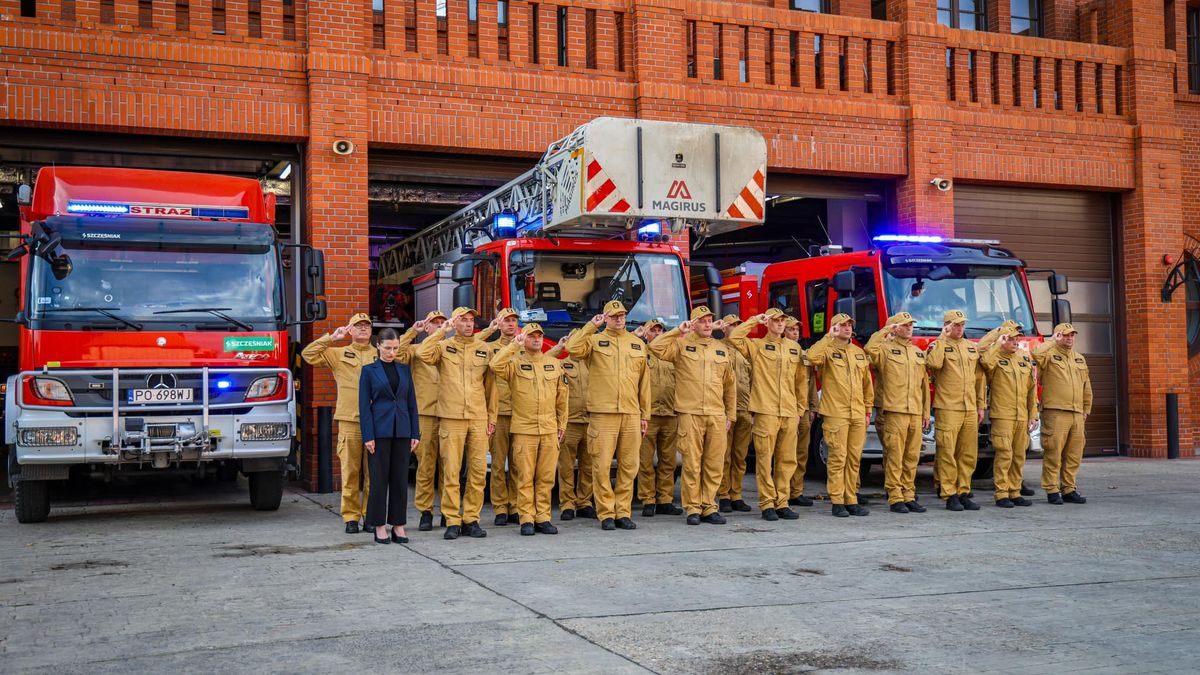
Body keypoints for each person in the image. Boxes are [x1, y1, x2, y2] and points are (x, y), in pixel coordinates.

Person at [566, 300, 651, 531]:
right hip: (603, 414)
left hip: (631, 413)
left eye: (622, 315)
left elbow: (644, 383)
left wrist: (645, 414)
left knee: (629, 466)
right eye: (613, 316)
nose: (619, 319)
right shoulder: (594, 341)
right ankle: (606, 513)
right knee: (601, 466)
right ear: (605, 318)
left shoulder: (637, 344)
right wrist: (591, 326)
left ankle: (623, 512)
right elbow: (572, 349)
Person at [649, 307, 736, 525]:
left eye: (710, 321)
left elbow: (730, 384)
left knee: (714, 463)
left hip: (716, 413)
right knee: (692, 463)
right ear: (693, 324)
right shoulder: (681, 345)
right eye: (702, 321)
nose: (708, 324)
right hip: (690, 412)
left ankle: (709, 506)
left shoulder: (721, 349)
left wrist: (730, 414)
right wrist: (677, 330)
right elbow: (655, 346)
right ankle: (693, 508)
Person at [417, 307, 497, 540]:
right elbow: (423, 354)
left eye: (472, 320)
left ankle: (471, 518)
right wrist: (442, 331)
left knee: (478, 472)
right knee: (451, 471)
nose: (469, 324)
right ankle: (452, 519)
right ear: (455, 323)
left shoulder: (484, 349)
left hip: (478, 417)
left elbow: (491, 388)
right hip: (451, 417)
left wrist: (491, 417)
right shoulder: (442, 347)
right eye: (463, 320)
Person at [726, 309, 809, 521]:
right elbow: (735, 337)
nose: (781, 324)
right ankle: (767, 503)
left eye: (783, 321)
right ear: (768, 322)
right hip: (765, 410)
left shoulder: (794, 348)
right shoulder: (756, 345)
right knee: (764, 460)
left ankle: (782, 502)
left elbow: (801, 381)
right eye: (776, 320)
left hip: (789, 412)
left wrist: (800, 409)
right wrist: (754, 319)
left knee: (787, 460)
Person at [301, 313, 377, 534]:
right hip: (350, 421)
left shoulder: (380, 354)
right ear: (350, 330)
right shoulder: (338, 354)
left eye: (366, 326)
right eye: (358, 326)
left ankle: (371, 516)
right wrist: (331, 337)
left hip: (375, 422)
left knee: (374, 474)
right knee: (350, 472)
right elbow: (308, 354)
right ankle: (351, 517)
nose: (363, 329)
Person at [490, 323, 569, 535]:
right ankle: (526, 518)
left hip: (549, 429)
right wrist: (513, 346)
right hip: (524, 429)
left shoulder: (554, 364)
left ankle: (542, 517)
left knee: (545, 477)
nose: (536, 339)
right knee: (524, 476)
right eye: (531, 336)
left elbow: (562, 399)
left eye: (539, 336)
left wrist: (562, 424)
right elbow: (495, 365)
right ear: (523, 339)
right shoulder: (515, 363)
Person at [806, 313, 874, 517]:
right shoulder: (826, 350)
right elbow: (811, 357)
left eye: (849, 325)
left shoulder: (857, 352)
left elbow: (866, 383)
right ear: (834, 328)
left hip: (857, 412)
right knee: (837, 457)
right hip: (836, 412)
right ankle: (837, 501)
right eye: (841, 325)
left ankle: (851, 498)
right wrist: (829, 336)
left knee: (854, 458)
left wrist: (868, 409)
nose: (846, 328)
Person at [358, 329, 421, 544]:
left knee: (400, 480)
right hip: (379, 431)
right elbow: (364, 407)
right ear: (378, 346)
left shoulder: (404, 370)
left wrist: (415, 432)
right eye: (387, 348)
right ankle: (378, 526)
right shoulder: (368, 371)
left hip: (402, 431)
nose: (391, 352)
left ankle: (399, 525)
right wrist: (368, 435)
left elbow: (411, 403)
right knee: (378, 480)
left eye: (395, 348)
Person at [864, 312, 931, 514]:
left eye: (911, 324)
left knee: (911, 457)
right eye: (904, 325)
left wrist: (925, 412)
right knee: (895, 455)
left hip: (915, 412)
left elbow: (924, 386)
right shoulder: (884, 350)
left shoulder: (917, 352)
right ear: (895, 328)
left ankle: (909, 494)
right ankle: (895, 496)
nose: (909, 327)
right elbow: (869, 348)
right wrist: (886, 330)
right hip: (894, 411)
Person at [925, 309, 987, 512]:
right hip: (948, 407)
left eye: (962, 325)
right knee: (947, 453)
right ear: (947, 325)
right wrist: (943, 337)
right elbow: (933, 363)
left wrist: (980, 405)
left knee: (968, 453)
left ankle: (963, 491)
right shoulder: (938, 345)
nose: (960, 329)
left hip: (969, 408)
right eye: (956, 325)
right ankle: (949, 494)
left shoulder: (971, 348)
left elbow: (979, 380)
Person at [395, 311, 448, 531]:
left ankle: (448, 511)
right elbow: (395, 354)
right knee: (426, 466)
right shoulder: (416, 351)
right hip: (424, 415)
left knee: (449, 466)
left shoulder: (452, 349)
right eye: (433, 323)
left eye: (441, 323)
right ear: (426, 328)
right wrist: (411, 332)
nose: (437, 326)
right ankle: (426, 511)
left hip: (449, 414)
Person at [1033, 323, 1092, 505]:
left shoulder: (1079, 358)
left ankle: (1069, 488)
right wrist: (1052, 341)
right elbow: (1036, 354)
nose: (1069, 338)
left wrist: (1086, 409)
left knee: (1074, 454)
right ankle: (1052, 490)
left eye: (1072, 335)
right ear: (1058, 336)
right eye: (1065, 335)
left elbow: (1086, 386)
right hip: (1056, 412)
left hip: (1076, 413)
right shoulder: (1049, 354)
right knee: (1054, 453)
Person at [980, 327, 1038, 508]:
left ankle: (1015, 491)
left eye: (1016, 340)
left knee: (1019, 455)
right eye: (1010, 339)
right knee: (1004, 454)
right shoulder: (995, 357)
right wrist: (998, 342)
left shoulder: (1023, 359)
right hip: (1003, 415)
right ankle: (1002, 493)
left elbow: (1031, 390)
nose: (1014, 342)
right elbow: (984, 363)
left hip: (1021, 415)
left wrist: (1033, 415)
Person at [635, 319, 682, 517]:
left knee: (668, 461)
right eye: (652, 331)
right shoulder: (639, 353)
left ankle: (665, 499)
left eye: (660, 330)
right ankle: (648, 500)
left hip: (670, 414)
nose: (657, 333)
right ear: (646, 334)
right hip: (649, 416)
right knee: (645, 461)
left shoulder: (672, 354)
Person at [548, 331, 595, 521]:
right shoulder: (561, 363)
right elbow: (543, 360)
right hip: (570, 423)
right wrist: (559, 347)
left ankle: (585, 502)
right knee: (566, 466)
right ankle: (567, 504)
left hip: (591, 420)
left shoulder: (595, 363)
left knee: (589, 466)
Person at [485, 307, 522, 526]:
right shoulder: (489, 349)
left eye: (513, 320)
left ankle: (516, 506)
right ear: (498, 324)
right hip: (498, 413)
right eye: (506, 320)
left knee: (518, 464)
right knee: (498, 464)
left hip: (520, 413)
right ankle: (500, 507)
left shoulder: (524, 347)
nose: (510, 324)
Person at [717, 314, 754, 513]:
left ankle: (736, 494)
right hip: (724, 410)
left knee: (740, 456)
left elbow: (754, 378)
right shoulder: (717, 347)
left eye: (738, 324)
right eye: (731, 324)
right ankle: (723, 494)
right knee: (724, 455)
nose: (734, 327)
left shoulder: (745, 350)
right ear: (723, 328)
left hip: (745, 408)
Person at [786, 317, 819, 508]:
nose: (795, 333)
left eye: (797, 330)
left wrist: (813, 407)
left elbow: (811, 384)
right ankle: (781, 492)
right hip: (786, 410)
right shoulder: (780, 353)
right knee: (784, 453)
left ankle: (796, 491)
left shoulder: (805, 356)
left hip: (804, 411)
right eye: (791, 330)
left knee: (801, 453)